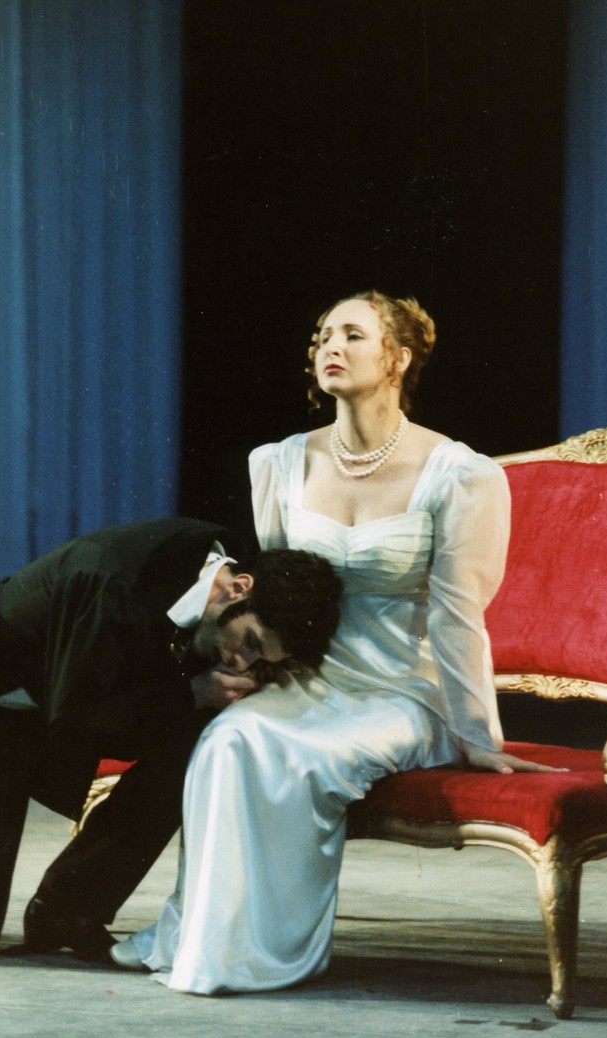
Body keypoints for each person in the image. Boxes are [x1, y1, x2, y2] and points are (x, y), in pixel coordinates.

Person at [113, 290, 558, 993]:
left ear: (397, 359)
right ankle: (210, 940)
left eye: (353, 335)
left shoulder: (459, 474)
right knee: (229, 741)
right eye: (324, 334)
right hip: (310, 680)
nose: (331, 346)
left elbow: (457, 615)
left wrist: (475, 734)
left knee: (297, 756)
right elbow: (273, 593)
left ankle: (264, 953)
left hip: (404, 690)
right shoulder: (280, 463)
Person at [0, 517, 341, 963]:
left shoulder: (216, 570)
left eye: (260, 660)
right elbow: (79, 723)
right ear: (239, 588)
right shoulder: (115, 585)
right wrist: (190, 693)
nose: (240, 662)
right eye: (249, 643)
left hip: (56, 715)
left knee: (192, 753)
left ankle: (65, 910)